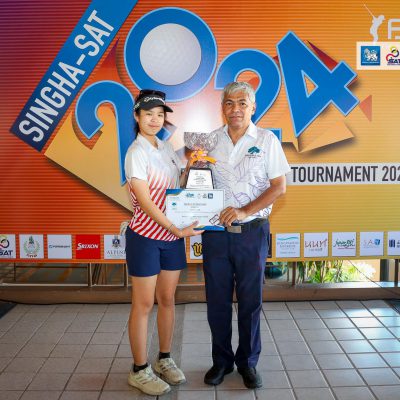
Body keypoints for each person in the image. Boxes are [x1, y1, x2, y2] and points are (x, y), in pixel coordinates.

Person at [202, 82, 291, 389]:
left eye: (242, 103)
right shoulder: (209, 141)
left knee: (250, 302)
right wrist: (190, 171)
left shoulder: (267, 140)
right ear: (222, 108)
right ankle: (221, 361)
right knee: (217, 301)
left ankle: (248, 362)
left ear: (253, 107)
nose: (235, 109)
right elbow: (195, 181)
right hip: (215, 234)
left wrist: (243, 211)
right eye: (229, 103)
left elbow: (279, 187)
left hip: (252, 233)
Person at [124, 89, 202, 396]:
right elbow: (145, 202)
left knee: (167, 300)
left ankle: (164, 359)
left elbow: (176, 189)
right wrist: (175, 228)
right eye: (148, 114)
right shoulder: (136, 152)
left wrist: (192, 168)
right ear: (137, 116)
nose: (155, 120)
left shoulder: (166, 148)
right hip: (145, 238)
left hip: (171, 238)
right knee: (143, 305)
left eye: (160, 114)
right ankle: (139, 369)